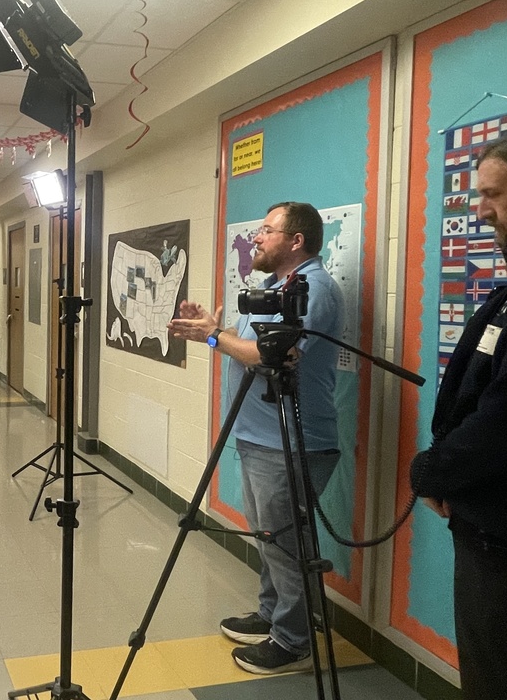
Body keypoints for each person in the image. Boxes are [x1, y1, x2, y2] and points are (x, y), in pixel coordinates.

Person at [168, 201, 344, 674]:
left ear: (296, 240)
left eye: (267, 230)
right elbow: (243, 350)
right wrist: (210, 332)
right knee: (270, 537)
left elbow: (266, 356)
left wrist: (217, 335)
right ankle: (270, 615)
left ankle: (292, 639)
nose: (257, 238)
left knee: (286, 543)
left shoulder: (314, 290)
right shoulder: (272, 289)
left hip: (292, 440)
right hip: (258, 437)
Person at [410, 133, 507, 700]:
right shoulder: (506, 298)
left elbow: (506, 418)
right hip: (481, 522)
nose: (481, 210)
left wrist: (434, 470)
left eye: (494, 194)